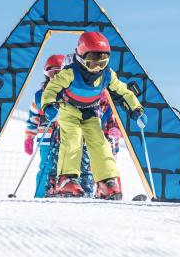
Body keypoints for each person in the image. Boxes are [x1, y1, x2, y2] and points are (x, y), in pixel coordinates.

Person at [41, 32, 146, 200]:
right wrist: (49, 105)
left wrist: (136, 109)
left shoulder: (107, 74)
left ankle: (107, 181)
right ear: (81, 57)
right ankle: (66, 179)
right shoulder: (70, 73)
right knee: (72, 139)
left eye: (102, 62)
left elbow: (122, 91)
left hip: (90, 112)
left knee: (100, 142)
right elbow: (52, 88)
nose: (97, 67)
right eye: (92, 62)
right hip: (69, 110)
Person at [24, 54, 65, 197]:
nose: (57, 76)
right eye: (54, 73)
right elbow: (32, 118)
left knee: (66, 168)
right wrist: (29, 138)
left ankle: (61, 195)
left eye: (61, 72)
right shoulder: (39, 96)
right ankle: (41, 196)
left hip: (66, 139)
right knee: (46, 167)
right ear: (47, 74)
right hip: (46, 139)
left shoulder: (70, 93)